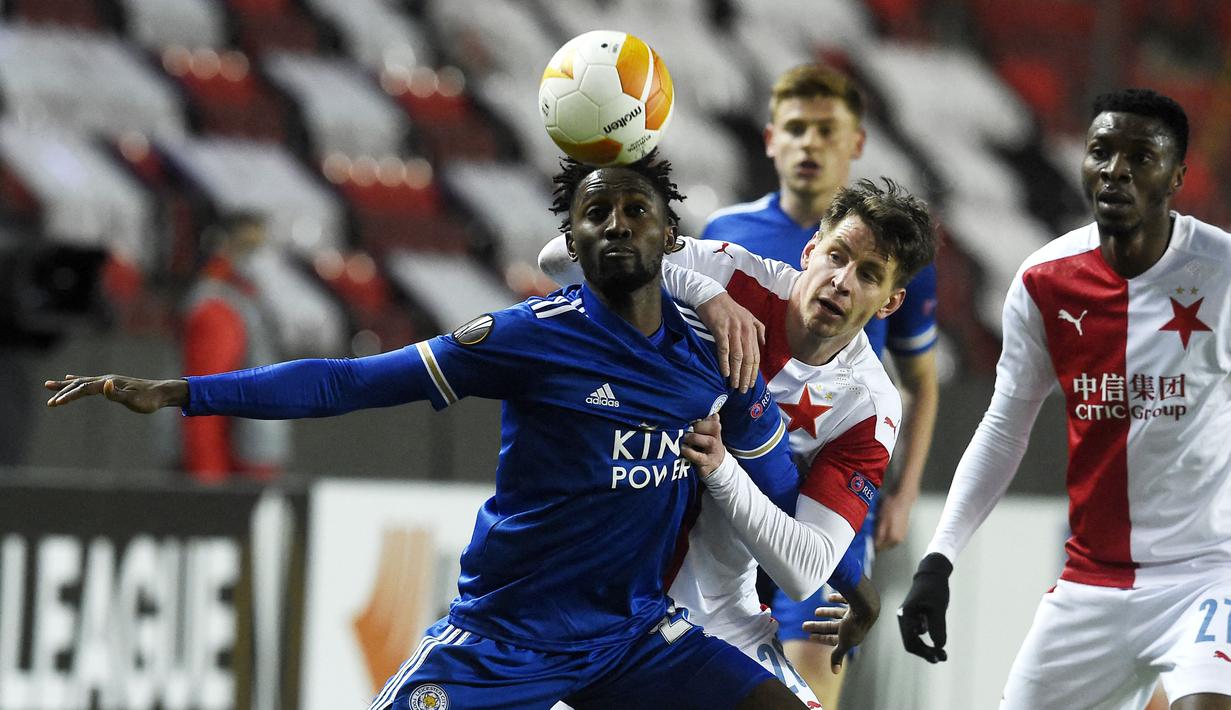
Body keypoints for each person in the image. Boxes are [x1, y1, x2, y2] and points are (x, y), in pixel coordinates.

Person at [45, 154, 815, 710]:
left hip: (633, 637)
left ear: (668, 235)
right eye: (595, 214)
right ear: (570, 244)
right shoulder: (527, 338)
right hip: (504, 640)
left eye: (635, 211)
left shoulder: (714, 353)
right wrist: (183, 392)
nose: (616, 225)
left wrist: (820, 568)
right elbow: (348, 381)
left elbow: (774, 481)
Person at [541, 177, 938, 705]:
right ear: (810, 249)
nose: (842, 281)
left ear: (890, 303)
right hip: (596, 594)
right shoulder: (730, 272)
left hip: (716, 615)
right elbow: (556, 259)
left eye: (868, 275)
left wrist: (724, 470)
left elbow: (802, 572)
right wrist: (700, 292)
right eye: (836, 255)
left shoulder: (868, 405)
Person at [898, 89, 1231, 710]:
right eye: (1101, 151)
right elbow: (1004, 429)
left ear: (1178, 176)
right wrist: (937, 562)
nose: (1116, 170)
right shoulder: (1043, 282)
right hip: (1090, 585)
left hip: (1207, 577)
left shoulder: (1223, 273)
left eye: (1142, 156)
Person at [701, 63, 940, 705]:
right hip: (730, 481)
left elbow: (921, 379)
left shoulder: (899, 253)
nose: (811, 144)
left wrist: (905, 490)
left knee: (807, 679)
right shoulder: (728, 238)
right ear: (771, 138)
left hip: (832, 484)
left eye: (827, 131)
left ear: (855, 143)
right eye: (797, 129)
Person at [179, 211, 288, 482]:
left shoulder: (248, 299)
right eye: (250, 247)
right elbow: (204, 405)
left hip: (250, 467)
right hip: (233, 473)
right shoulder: (216, 307)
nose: (259, 257)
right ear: (224, 247)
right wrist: (209, 483)